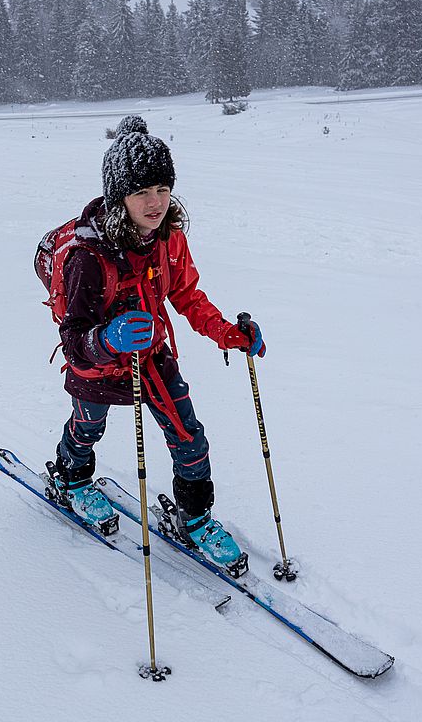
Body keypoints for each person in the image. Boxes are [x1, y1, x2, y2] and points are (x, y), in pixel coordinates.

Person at [52, 116, 265, 570]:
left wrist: (228, 333)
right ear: (118, 197)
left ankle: (195, 518)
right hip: (98, 366)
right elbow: (73, 341)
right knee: (87, 428)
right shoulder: (88, 259)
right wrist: (107, 339)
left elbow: (186, 294)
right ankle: (71, 481)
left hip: (151, 356)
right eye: (141, 192)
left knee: (190, 438)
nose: (156, 203)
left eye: (163, 190)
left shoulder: (170, 238)